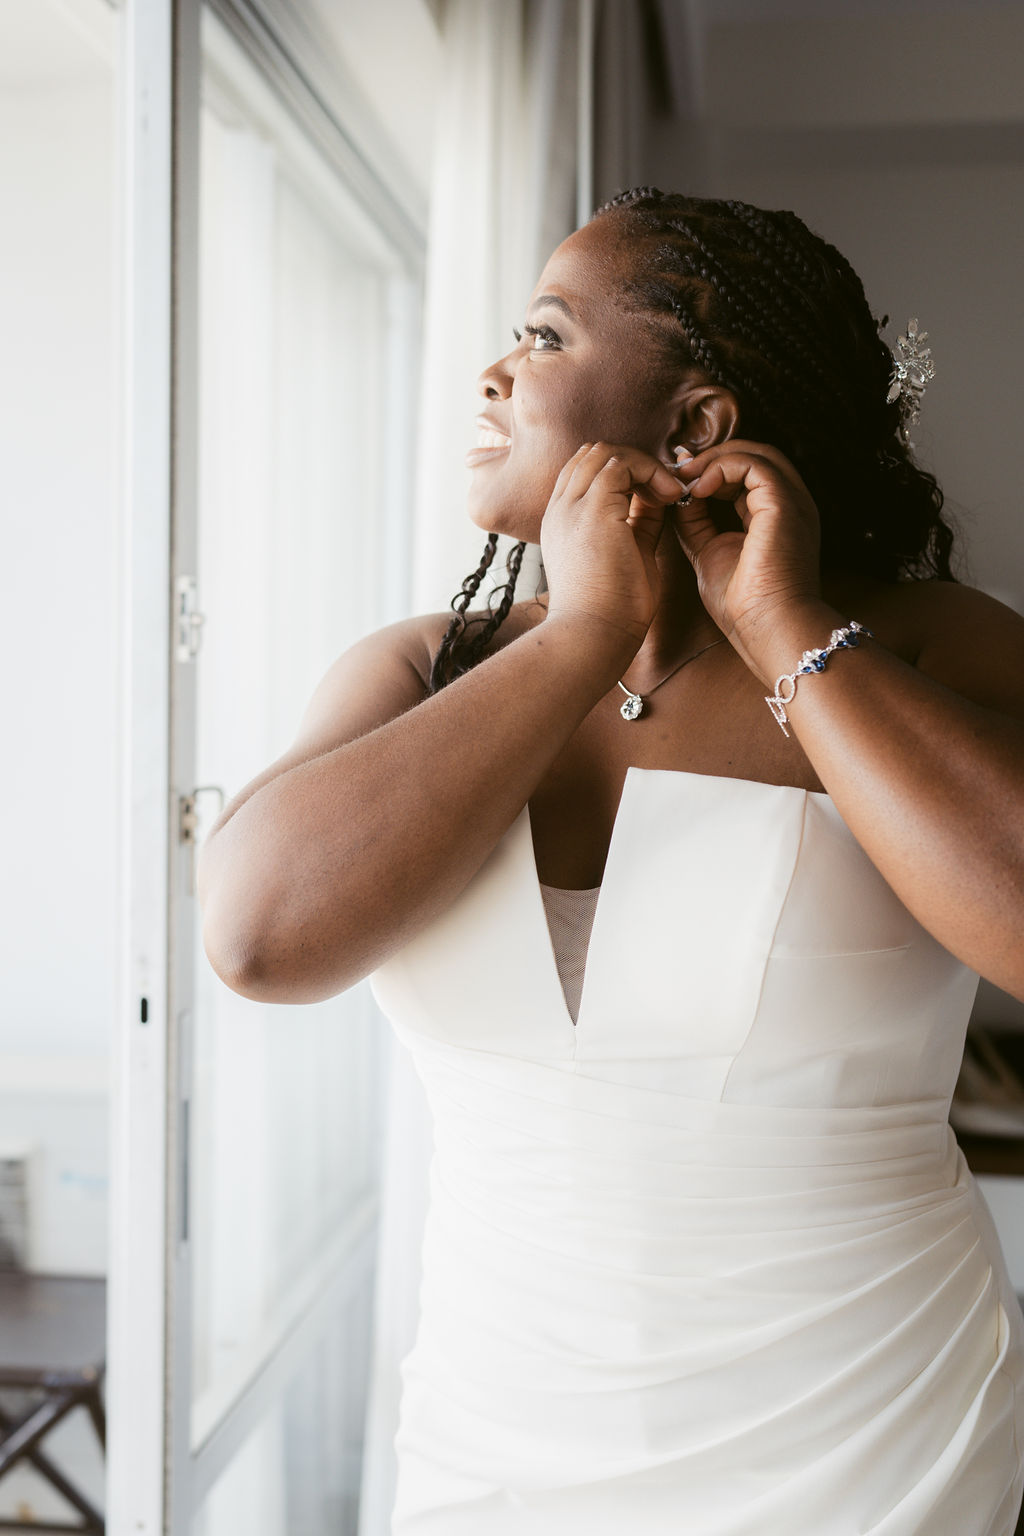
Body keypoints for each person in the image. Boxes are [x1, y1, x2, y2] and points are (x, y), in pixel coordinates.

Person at [198, 189, 1024, 1534]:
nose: (491, 367)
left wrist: (792, 631)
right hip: (496, 1446)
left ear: (695, 423)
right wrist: (581, 634)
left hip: (869, 1446)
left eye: (540, 332)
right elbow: (256, 937)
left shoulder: (927, 648)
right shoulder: (425, 669)